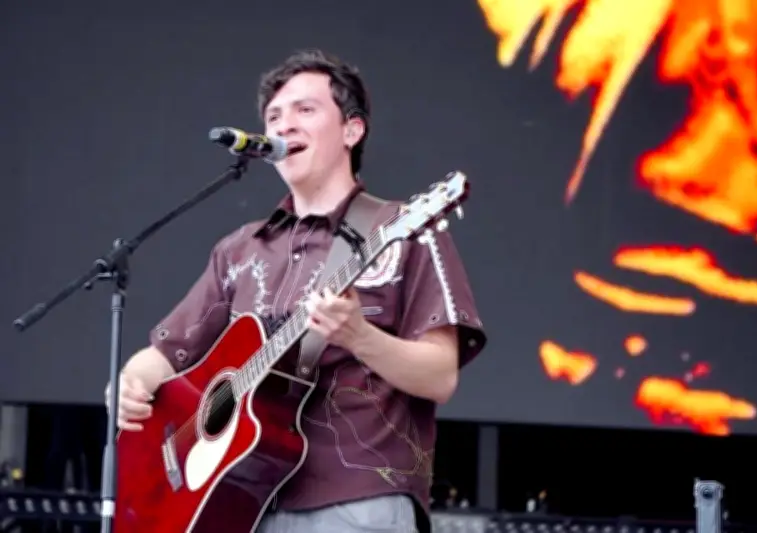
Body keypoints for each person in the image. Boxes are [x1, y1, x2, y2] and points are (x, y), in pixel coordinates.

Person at [107, 48, 487, 533]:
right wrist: (130, 384)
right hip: (239, 503)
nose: (284, 125)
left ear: (353, 130)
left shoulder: (405, 232)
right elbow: (164, 355)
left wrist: (359, 337)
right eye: (273, 116)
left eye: (305, 110)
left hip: (356, 503)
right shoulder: (239, 249)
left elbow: (440, 377)